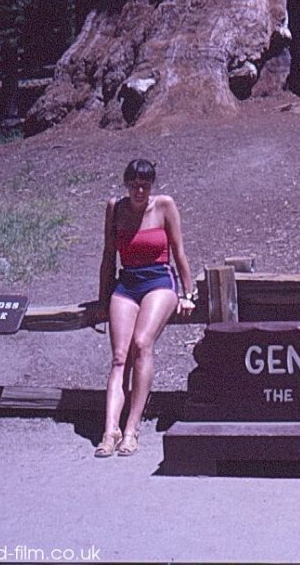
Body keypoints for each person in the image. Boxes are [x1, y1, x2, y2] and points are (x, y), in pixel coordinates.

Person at [95, 158, 196, 457]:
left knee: (142, 344)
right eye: (134, 184)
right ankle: (109, 430)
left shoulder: (164, 205)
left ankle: (131, 429)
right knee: (118, 357)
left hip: (158, 280)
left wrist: (188, 292)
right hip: (127, 283)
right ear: (126, 184)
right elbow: (107, 255)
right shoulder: (115, 208)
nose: (139, 190)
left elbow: (178, 250)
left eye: (145, 185)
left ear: (151, 186)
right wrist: (103, 299)